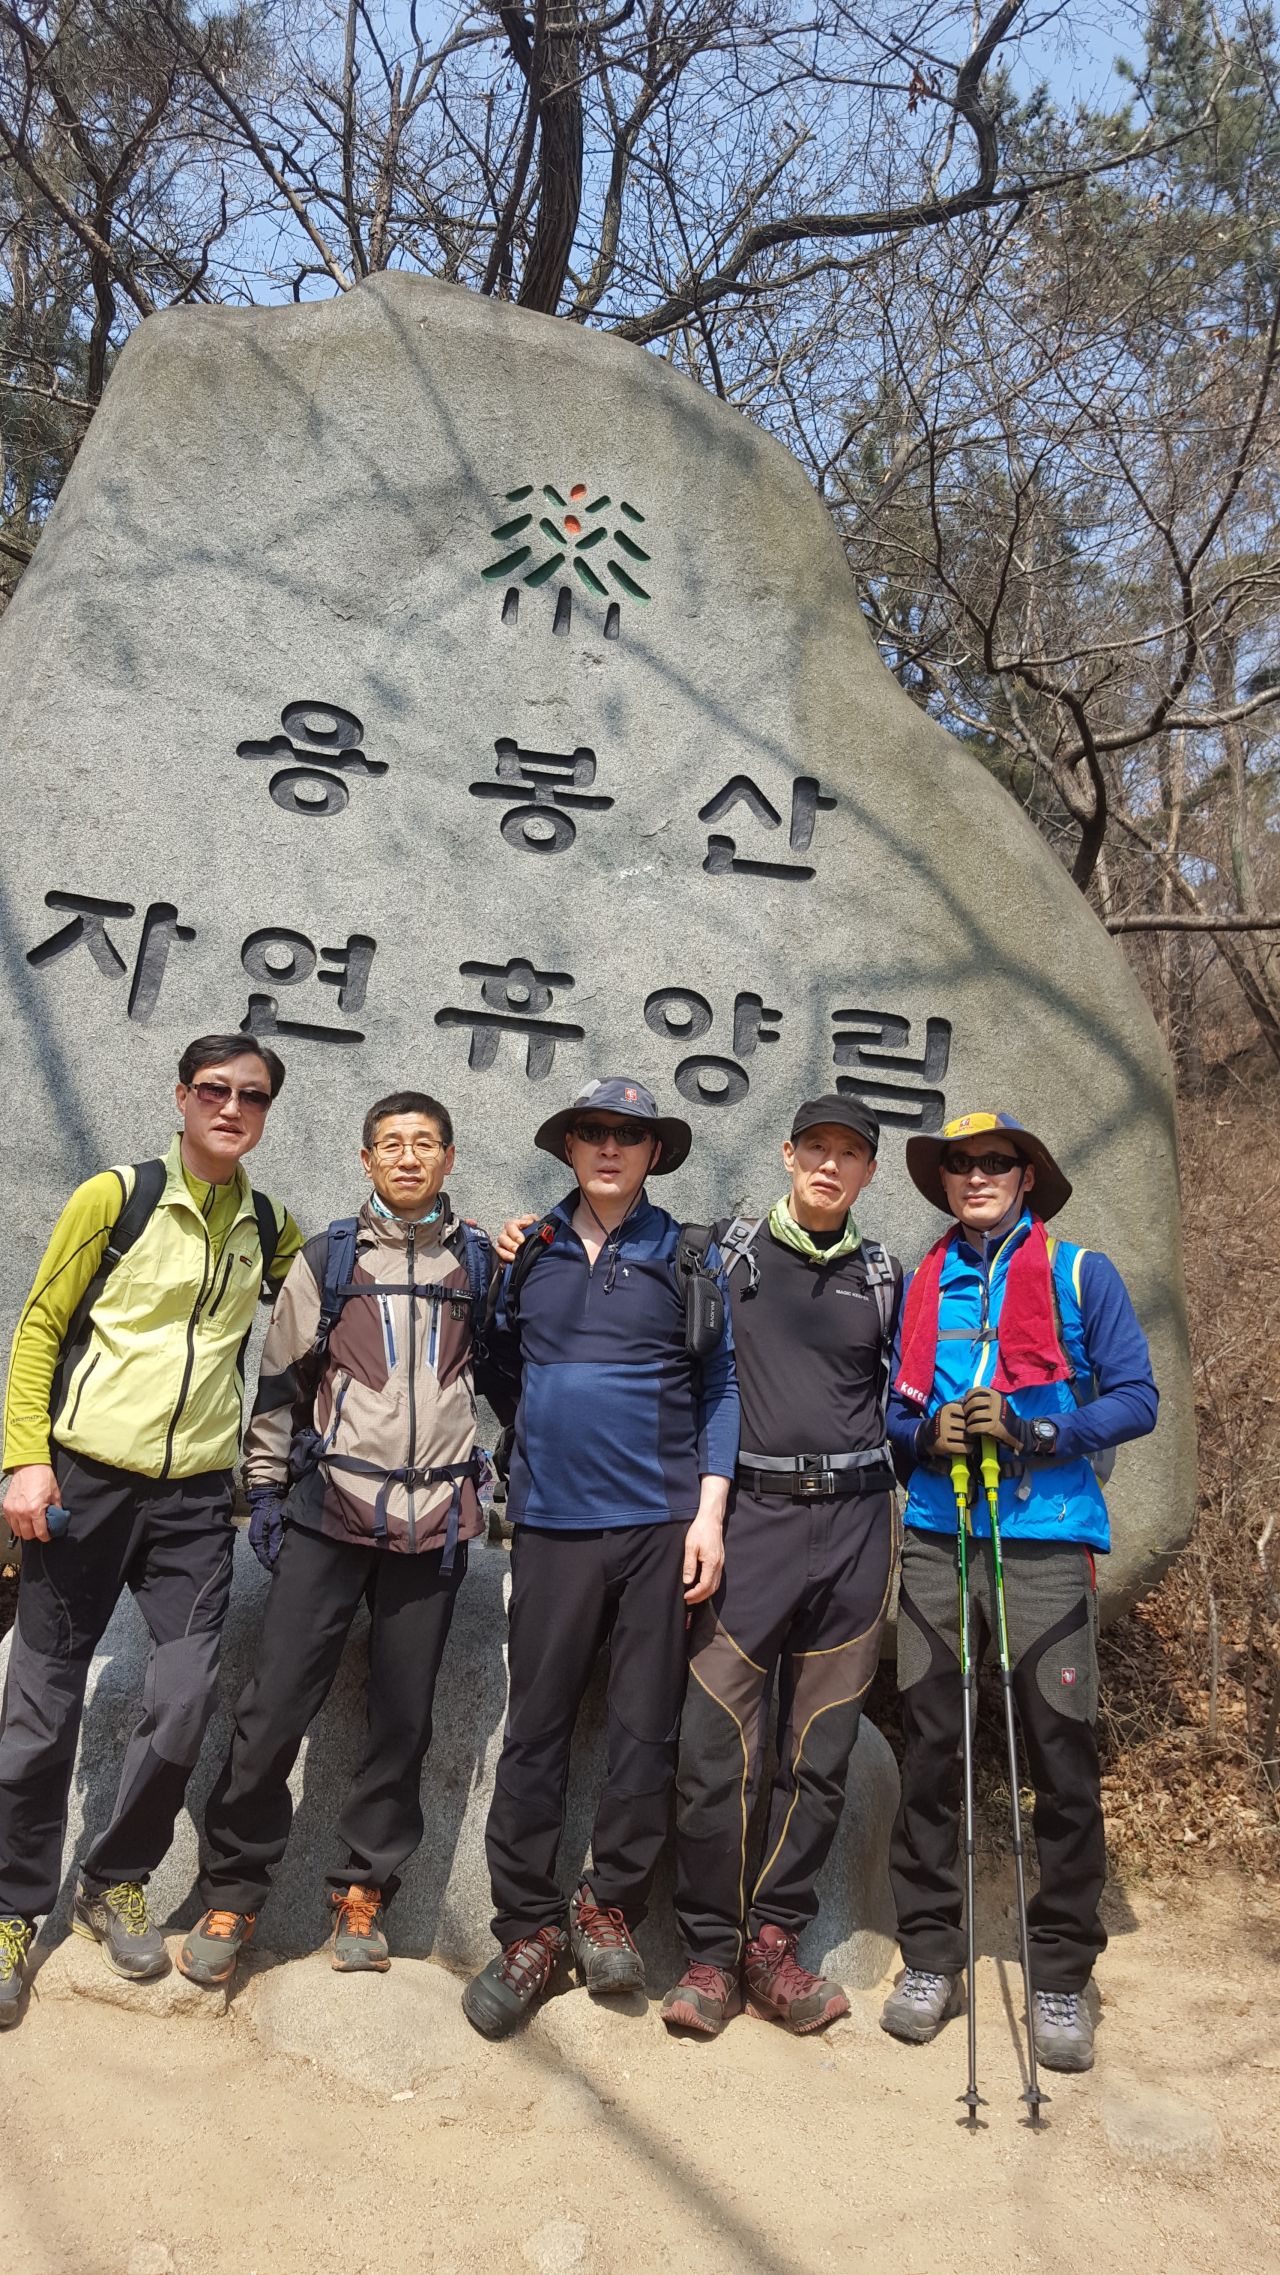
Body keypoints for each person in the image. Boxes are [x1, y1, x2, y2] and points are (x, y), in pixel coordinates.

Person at [178, 1089, 512, 1986]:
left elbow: (510, 1377)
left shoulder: (478, 1263)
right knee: (271, 1709)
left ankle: (362, 1895)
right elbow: (282, 1383)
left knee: (402, 1722)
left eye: (425, 1144)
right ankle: (234, 1892)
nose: (408, 1157)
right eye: (390, 1144)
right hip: (330, 1510)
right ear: (365, 1159)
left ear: (449, 1157)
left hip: (434, 1523)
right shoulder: (328, 1257)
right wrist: (264, 1491)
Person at [0, 1035, 300, 2023]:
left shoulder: (268, 1224)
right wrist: (25, 1459)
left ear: (264, 1112)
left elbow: (339, 1288)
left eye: (250, 1095)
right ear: (180, 1096)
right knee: (41, 1711)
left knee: (183, 1698)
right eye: (212, 1089)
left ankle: (113, 1875)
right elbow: (41, 1325)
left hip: (192, 1504)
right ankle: (11, 1907)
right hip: (83, 1482)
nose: (230, 1105)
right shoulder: (115, 1197)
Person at [880, 1110, 1158, 2073]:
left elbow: (1136, 1398)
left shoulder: (1084, 1273)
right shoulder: (923, 1279)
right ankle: (930, 1956)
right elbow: (892, 1408)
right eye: (959, 1165)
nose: (976, 1176)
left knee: (1060, 1755)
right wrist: (927, 1435)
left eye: (996, 1162)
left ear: (1027, 1176)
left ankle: (1061, 1973)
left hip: (1046, 1538)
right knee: (931, 1748)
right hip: (934, 1533)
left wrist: (1038, 1433)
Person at [461, 1078, 739, 2040]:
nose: (611, 1147)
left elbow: (722, 1387)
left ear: (653, 1151)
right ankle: (526, 1926)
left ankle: (606, 1901)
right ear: (568, 1148)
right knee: (533, 1726)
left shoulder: (686, 1254)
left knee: (642, 1730)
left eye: (629, 1135)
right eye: (593, 1133)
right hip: (549, 1525)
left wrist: (709, 1512)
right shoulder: (528, 1251)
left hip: (660, 1524)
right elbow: (497, 1364)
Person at [660, 1094, 902, 2036]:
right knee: (713, 1741)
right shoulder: (721, 1250)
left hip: (853, 1528)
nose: (830, 1167)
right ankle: (710, 1953)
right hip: (748, 1516)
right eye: (816, 1150)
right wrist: (520, 1238)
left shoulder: (887, 1275)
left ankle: (773, 1943)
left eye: (850, 1155)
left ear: (870, 1173)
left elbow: (921, 1391)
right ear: (786, 1153)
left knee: (822, 1749)